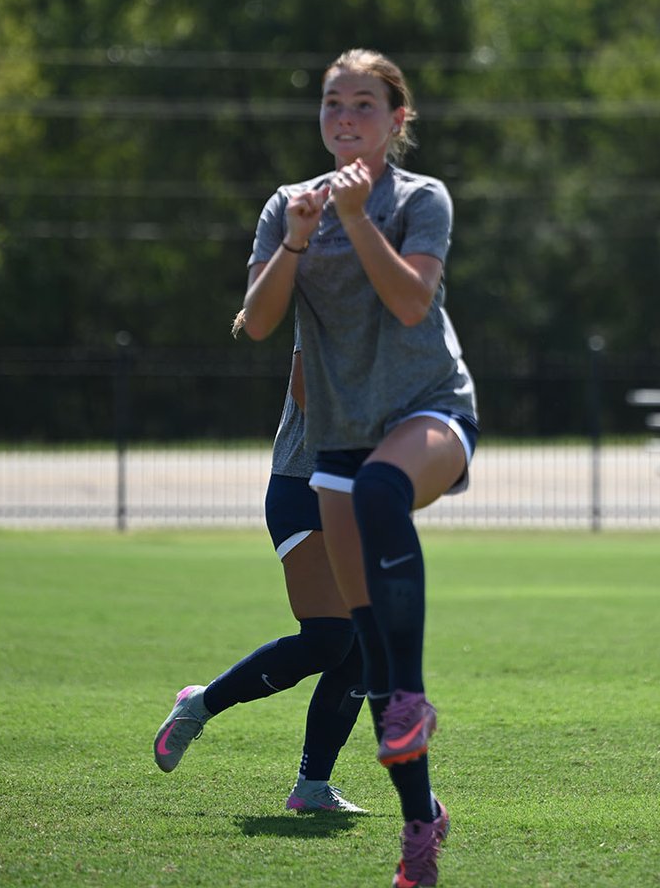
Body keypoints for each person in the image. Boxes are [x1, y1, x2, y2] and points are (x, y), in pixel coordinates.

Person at [235, 48, 479, 888]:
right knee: (364, 635)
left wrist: (358, 217)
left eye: (365, 105)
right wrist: (300, 236)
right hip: (336, 438)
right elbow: (257, 324)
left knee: (380, 490)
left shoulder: (421, 199)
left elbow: (412, 300)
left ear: (397, 120)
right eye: (334, 104)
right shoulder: (284, 207)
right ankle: (421, 828)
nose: (345, 119)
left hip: (430, 412)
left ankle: (410, 701)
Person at [153, 350, 367, 813]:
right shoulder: (331, 287)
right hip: (306, 485)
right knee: (329, 640)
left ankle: (312, 788)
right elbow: (306, 387)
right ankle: (201, 705)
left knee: (362, 648)